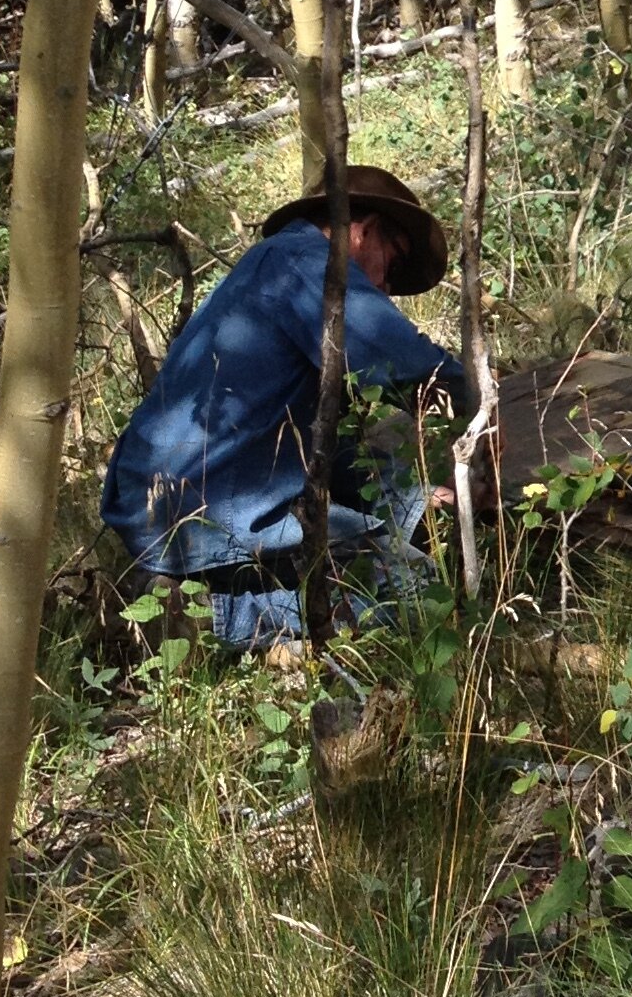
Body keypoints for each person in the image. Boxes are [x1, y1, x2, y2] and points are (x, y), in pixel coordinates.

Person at [103, 165, 470, 648]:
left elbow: (318, 450)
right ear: (364, 231)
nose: (384, 290)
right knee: (422, 589)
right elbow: (411, 368)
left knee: (379, 481)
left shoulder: (270, 265)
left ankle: (180, 595)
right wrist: (485, 406)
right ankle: (208, 619)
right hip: (207, 515)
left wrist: (419, 502)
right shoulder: (312, 266)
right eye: (393, 265)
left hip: (162, 510)